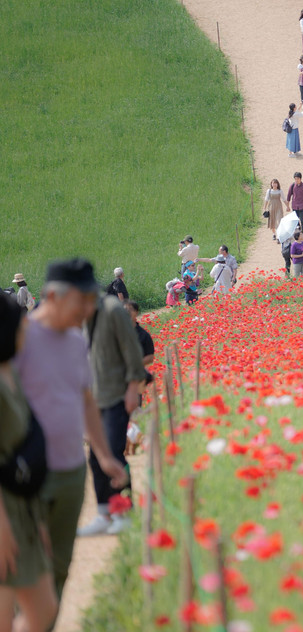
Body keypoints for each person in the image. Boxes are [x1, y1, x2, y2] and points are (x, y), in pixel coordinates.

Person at [15, 259, 128, 605]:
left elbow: (85, 401)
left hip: (70, 473)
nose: (89, 308)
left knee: (59, 570)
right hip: (27, 477)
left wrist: (105, 456)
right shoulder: (18, 341)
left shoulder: (77, 341)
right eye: (83, 300)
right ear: (53, 296)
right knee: (25, 575)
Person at [0, 294, 59, 632]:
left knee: (43, 608)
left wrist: (36, 521)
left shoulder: (11, 371)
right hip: (3, 509)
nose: (27, 326)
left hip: (23, 504)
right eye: (20, 321)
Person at [76, 279, 147, 538]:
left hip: (117, 394)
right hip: (95, 397)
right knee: (96, 457)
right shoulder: (84, 315)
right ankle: (105, 512)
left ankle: (124, 511)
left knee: (115, 453)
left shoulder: (112, 310)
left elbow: (132, 351)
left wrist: (132, 389)